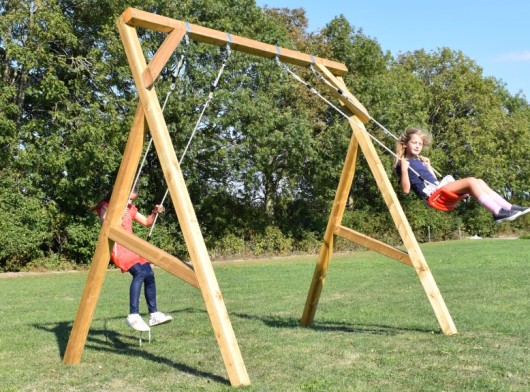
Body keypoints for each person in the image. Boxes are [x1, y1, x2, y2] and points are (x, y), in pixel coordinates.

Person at [394, 127, 530, 223]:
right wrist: (405, 169)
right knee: (471, 181)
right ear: (405, 144)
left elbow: (433, 181)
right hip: (433, 196)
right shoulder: (403, 163)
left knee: (480, 182)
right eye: (414, 142)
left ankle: (508, 207)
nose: (418, 146)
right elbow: (405, 190)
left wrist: (428, 166)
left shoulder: (418, 161)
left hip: (437, 189)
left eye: (420, 144)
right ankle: (497, 212)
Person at [94, 187, 172, 332]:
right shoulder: (105, 206)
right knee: (139, 273)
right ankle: (133, 315)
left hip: (132, 246)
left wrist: (155, 213)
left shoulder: (130, 208)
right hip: (118, 246)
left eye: (132, 199)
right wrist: (117, 216)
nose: (130, 201)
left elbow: (147, 222)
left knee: (149, 273)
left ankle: (154, 314)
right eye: (129, 198)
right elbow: (104, 224)